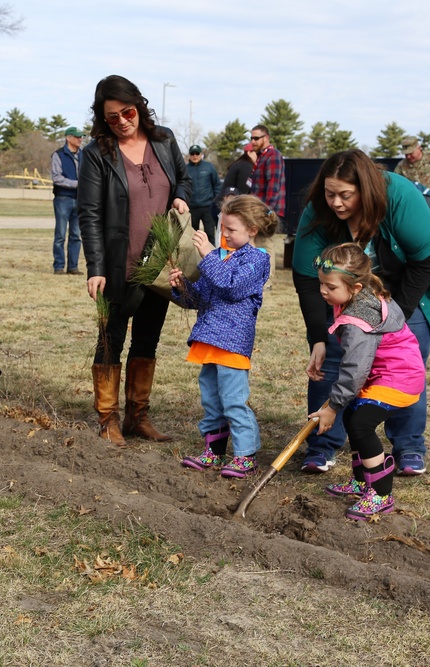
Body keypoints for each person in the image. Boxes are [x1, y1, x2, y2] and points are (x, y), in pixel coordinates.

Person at [291, 149, 430, 476]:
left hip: (403, 291)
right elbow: (307, 278)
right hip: (345, 296)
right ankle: (322, 446)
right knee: (332, 358)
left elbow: (425, 257)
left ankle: (409, 446)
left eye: (345, 195)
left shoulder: (400, 197)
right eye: (329, 193)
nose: (335, 202)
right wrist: (318, 337)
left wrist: (392, 321)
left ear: (366, 190)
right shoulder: (319, 211)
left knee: (403, 363)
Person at [78, 74, 192, 445]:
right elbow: (90, 214)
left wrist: (180, 197)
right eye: (112, 117)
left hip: (159, 261)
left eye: (127, 112)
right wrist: (95, 268)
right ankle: (107, 419)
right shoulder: (97, 154)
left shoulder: (164, 139)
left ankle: (137, 417)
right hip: (117, 263)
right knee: (110, 340)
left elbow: (184, 179)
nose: (122, 121)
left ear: (139, 107)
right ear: (103, 119)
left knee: (147, 340)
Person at [308, 243, 425, 521]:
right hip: (387, 373)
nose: (323, 291)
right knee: (353, 416)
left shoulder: (359, 317)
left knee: (361, 422)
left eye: (331, 287)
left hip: (399, 377)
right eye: (321, 284)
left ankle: (381, 495)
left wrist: (333, 406)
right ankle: (362, 481)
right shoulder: (359, 297)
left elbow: (354, 368)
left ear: (356, 288)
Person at [172, 195, 278, 477]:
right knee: (212, 401)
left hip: (231, 343)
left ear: (252, 230)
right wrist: (182, 286)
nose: (224, 234)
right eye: (222, 228)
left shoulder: (257, 260)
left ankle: (246, 455)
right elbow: (200, 298)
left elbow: (230, 287)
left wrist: (207, 254)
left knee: (233, 400)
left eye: (231, 229)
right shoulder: (219, 257)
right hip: (208, 340)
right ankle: (214, 451)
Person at [51, 126, 84, 275]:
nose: (80, 139)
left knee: (76, 235)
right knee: (60, 235)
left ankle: (73, 267)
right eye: (77, 137)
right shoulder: (58, 155)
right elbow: (57, 178)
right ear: (68, 138)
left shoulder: (84, 155)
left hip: (80, 200)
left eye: (81, 136)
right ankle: (59, 266)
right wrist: (78, 184)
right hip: (63, 199)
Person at [248, 125, 287, 232]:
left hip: (267, 213)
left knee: (265, 247)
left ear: (266, 138)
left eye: (256, 138)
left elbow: (273, 187)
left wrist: (266, 212)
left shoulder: (273, 155)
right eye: (251, 138)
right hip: (258, 211)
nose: (253, 141)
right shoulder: (261, 157)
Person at [186, 144, 221, 242]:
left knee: (210, 234)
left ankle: (211, 255)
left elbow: (217, 185)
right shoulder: (185, 169)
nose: (195, 156)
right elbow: (182, 186)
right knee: (194, 236)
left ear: (201, 154)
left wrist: (215, 201)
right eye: (192, 153)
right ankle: (196, 257)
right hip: (192, 208)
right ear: (189, 155)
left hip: (208, 207)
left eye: (197, 153)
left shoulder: (209, 167)